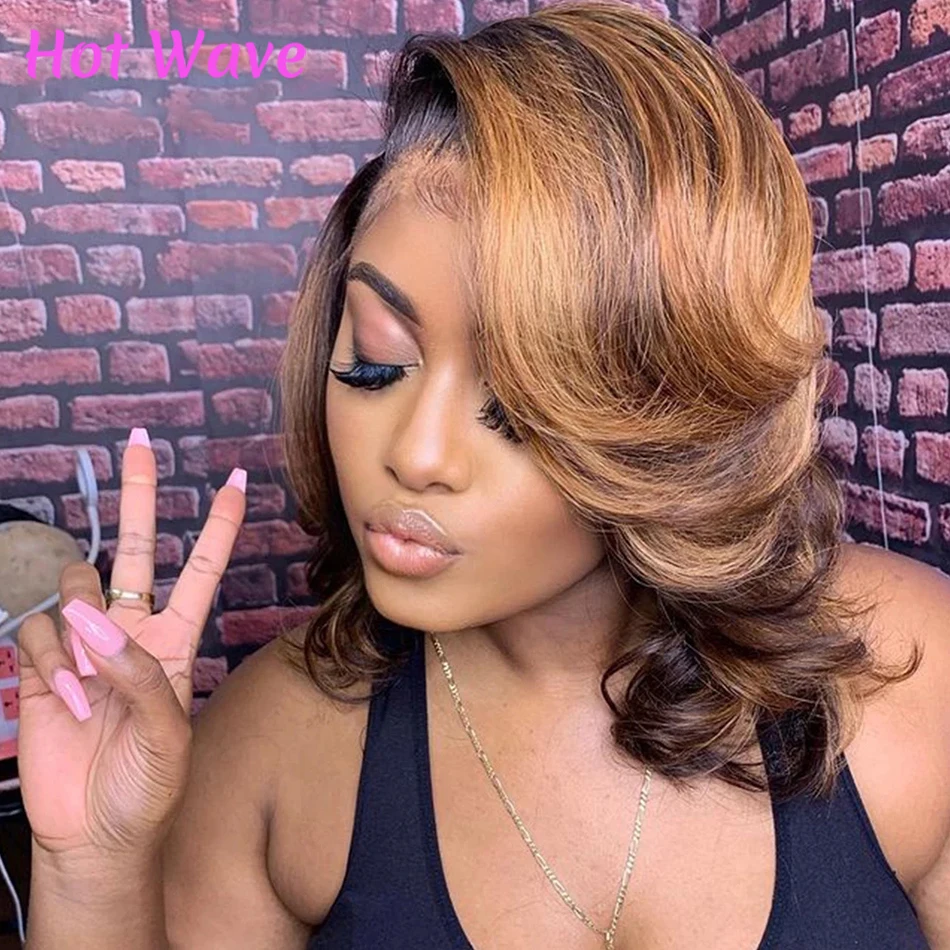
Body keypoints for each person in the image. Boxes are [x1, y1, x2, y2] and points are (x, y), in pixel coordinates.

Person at [17, 2, 950, 948]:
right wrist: (92, 869)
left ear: (681, 408)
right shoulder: (274, 746)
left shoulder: (914, 674)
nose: (415, 454)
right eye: (376, 363)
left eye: (517, 404)